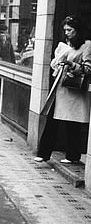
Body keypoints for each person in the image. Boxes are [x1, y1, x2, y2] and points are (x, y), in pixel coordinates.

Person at [34, 16, 91, 164]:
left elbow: (88, 69)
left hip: (73, 89)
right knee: (52, 120)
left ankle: (73, 155)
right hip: (60, 87)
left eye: (70, 30)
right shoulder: (66, 44)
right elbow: (55, 64)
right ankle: (44, 153)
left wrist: (72, 65)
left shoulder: (86, 45)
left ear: (77, 30)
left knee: (73, 123)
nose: (66, 33)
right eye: (65, 30)